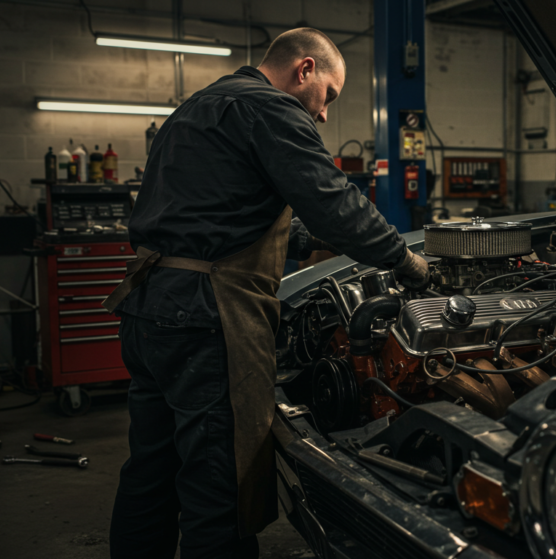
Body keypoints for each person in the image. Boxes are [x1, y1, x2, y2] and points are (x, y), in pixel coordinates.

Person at [102, 27, 429, 558]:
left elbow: (225, 214)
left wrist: (310, 239)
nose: (324, 114)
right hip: (207, 319)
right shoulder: (269, 109)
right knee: (221, 485)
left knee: (151, 472)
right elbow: (334, 200)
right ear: (305, 70)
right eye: (329, 96)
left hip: (148, 311)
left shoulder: (198, 107)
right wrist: (406, 260)